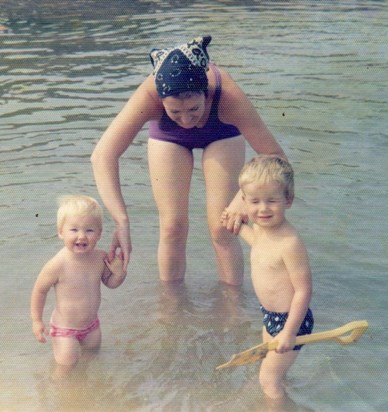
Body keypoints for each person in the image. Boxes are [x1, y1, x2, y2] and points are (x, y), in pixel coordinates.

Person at [91, 35, 286, 285]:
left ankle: (232, 308)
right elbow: (102, 155)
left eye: (194, 109)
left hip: (220, 130)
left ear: (205, 93)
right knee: (173, 227)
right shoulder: (149, 97)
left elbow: (276, 157)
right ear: (161, 102)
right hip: (168, 136)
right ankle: (172, 309)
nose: (186, 119)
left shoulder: (227, 96)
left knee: (222, 227)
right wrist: (122, 222)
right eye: (176, 112)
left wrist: (243, 198)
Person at [222, 155, 313, 400]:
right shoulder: (263, 228)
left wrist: (290, 332)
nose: (263, 209)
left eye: (272, 201)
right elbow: (260, 248)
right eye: (254, 201)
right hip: (270, 316)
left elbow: (303, 290)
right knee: (272, 369)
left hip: (292, 320)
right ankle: (284, 395)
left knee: (267, 380)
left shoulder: (290, 243)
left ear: (288, 200)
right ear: (243, 201)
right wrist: (240, 229)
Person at [31, 195, 126, 378]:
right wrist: (36, 320)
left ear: (99, 233)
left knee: (91, 360)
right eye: (73, 229)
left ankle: (85, 396)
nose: (81, 236)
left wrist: (119, 273)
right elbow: (39, 290)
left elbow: (111, 284)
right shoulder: (58, 264)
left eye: (89, 230)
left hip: (92, 326)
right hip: (64, 329)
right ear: (61, 232)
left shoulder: (100, 258)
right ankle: (61, 397)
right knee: (66, 367)